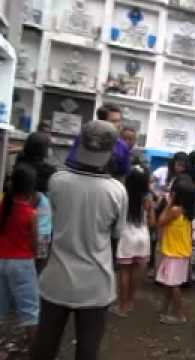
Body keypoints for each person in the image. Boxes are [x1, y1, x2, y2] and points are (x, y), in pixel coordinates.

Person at [32, 121, 128, 360]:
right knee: (87, 350)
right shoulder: (116, 191)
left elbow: (52, 221)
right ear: (111, 152)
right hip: (95, 285)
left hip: (56, 279)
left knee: (44, 346)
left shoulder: (57, 180)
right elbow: (116, 233)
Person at [0, 164, 39, 344]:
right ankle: (35, 350)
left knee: (2, 305)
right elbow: (34, 243)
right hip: (22, 263)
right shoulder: (31, 213)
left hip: (1, 260)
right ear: (31, 188)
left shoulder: (2, 205)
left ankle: (3, 345)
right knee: (30, 308)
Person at [111, 165, 155, 317]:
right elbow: (152, 221)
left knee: (124, 272)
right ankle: (130, 303)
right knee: (136, 272)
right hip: (143, 236)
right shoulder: (148, 198)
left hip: (127, 236)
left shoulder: (122, 195)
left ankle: (122, 307)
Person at [156, 175, 195, 325]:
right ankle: (164, 309)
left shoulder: (175, 210)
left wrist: (169, 203)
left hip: (174, 253)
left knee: (173, 285)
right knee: (170, 283)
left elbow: (160, 221)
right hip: (180, 253)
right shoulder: (188, 211)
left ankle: (180, 315)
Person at [15, 132, 56, 272]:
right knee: (38, 267)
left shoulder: (20, 163)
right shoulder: (49, 171)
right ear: (43, 149)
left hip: (18, 221)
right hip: (42, 228)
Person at [65, 104, 131, 179]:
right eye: (114, 121)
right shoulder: (84, 138)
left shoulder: (122, 146)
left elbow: (123, 174)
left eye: (119, 121)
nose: (119, 125)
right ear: (101, 121)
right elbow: (71, 164)